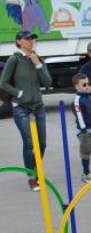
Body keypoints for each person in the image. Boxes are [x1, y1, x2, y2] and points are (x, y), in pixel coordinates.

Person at [0, 30, 51, 191]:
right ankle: (32, 178)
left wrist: (38, 64)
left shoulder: (35, 58)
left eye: (32, 39)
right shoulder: (14, 60)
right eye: (27, 39)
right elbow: (4, 82)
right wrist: (19, 93)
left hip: (38, 108)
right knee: (29, 144)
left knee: (42, 144)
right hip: (22, 109)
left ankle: (35, 171)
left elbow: (48, 82)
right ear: (19, 42)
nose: (30, 42)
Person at [72, 73, 91, 183]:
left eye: (87, 84)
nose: (87, 86)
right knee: (85, 152)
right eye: (84, 85)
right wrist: (83, 130)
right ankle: (85, 174)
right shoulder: (78, 100)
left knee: (89, 152)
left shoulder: (88, 96)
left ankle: (87, 172)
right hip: (85, 131)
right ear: (76, 86)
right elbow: (79, 114)